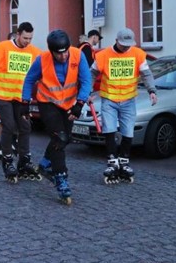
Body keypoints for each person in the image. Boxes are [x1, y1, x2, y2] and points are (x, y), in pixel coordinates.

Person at [22, 30, 91, 204]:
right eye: (58, 54)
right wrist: (25, 102)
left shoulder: (78, 55)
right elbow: (29, 80)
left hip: (68, 104)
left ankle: (45, 163)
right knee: (59, 138)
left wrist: (79, 104)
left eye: (65, 52)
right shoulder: (42, 60)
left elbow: (86, 80)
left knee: (65, 138)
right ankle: (61, 178)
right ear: (51, 51)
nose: (62, 57)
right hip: (48, 103)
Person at [0, 22, 42, 183]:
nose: (27, 41)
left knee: (25, 126)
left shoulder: (35, 52)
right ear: (18, 34)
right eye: (25, 38)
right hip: (2, 94)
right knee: (9, 126)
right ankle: (7, 160)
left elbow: (42, 73)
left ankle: (24, 160)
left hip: (20, 97)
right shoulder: (3, 47)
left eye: (30, 38)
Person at [90, 28, 157, 184]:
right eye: (123, 44)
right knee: (109, 130)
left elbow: (146, 74)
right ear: (116, 41)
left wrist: (152, 90)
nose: (126, 47)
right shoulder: (103, 55)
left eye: (129, 45)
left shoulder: (138, 54)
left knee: (128, 131)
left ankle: (124, 161)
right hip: (109, 99)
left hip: (128, 100)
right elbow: (92, 74)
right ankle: (112, 162)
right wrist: (87, 92)